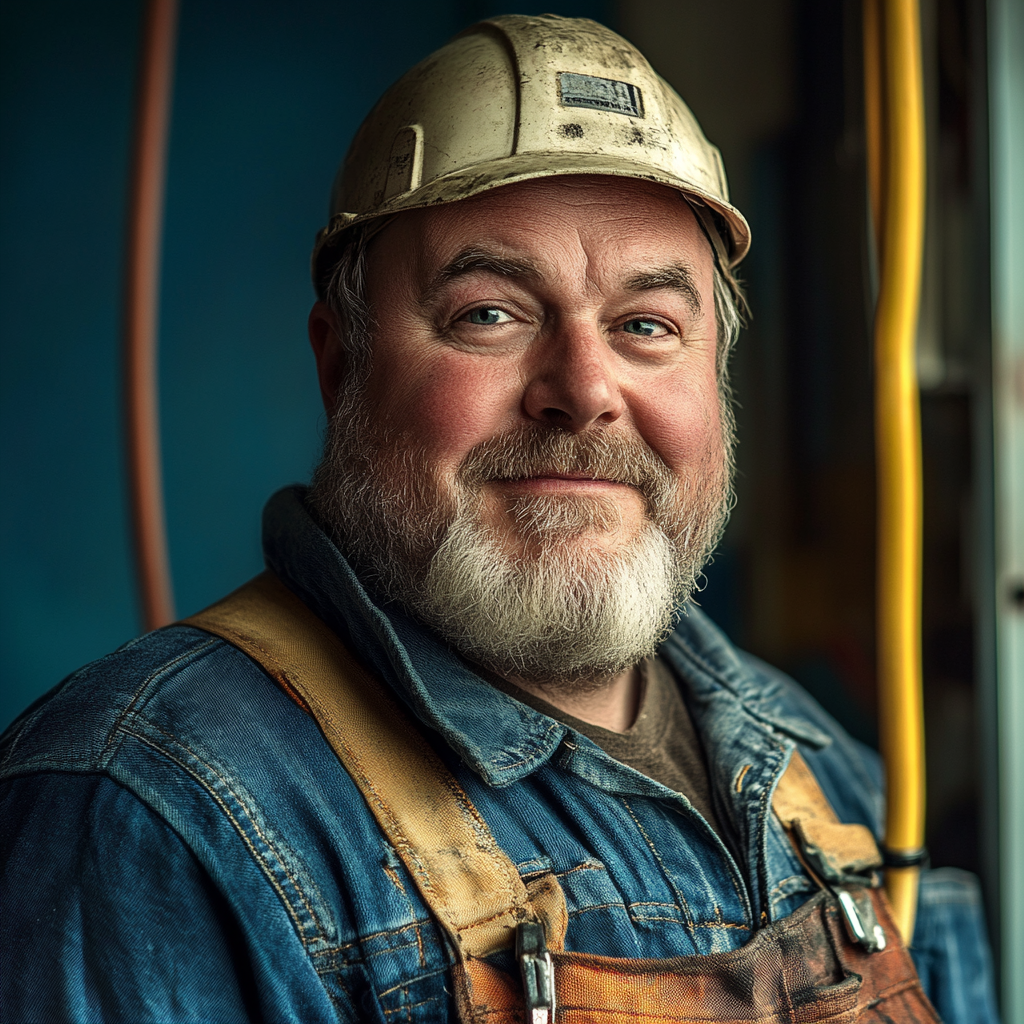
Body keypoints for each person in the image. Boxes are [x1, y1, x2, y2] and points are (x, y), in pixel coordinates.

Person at [0, 14, 998, 1024]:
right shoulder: (144, 814)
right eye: (491, 313)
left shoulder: (827, 777)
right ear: (340, 363)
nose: (584, 388)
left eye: (646, 325)